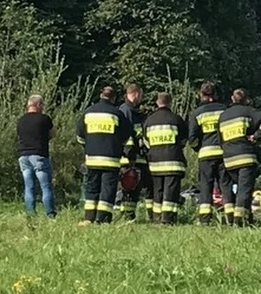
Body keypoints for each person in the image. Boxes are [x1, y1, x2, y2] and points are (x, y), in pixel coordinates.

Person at [76, 86, 132, 225]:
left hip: (92, 158)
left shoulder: (88, 113)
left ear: (101, 95)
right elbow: (126, 137)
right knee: (107, 189)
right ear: (113, 98)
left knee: (92, 188)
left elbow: (80, 137)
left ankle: (89, 217)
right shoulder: (117, 114)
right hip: (111, 160)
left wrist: (88, 147)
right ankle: (102, 218)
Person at [218, 89, 261, 227]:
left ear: (232, 98)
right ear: (246, 99)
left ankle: (238, 217)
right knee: (244, 189)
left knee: (235, 188)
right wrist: (256, 136)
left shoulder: (223, 116)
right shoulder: (248, 111)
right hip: (246, 156)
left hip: (229, 159)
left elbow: (220, 140)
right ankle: (240, 220)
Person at [144, 92, 189, 224]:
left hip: (155, 164)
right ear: (170, 103)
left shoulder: (149, 121)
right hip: (173, 163)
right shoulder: (176, 119)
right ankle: (168, 219)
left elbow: (146, 142)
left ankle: (157, 218)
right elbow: (183, 141)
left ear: (157, 103)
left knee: (157, 191)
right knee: (171, 191)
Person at [188, 81, 229, 225]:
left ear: (201, 95)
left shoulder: (197, 113)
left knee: (206, 185)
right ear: (214, 94)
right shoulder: (224, 110)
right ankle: (230, 217)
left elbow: (192, 138)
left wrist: (198, 148)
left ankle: (205, 219)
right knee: (225, 184)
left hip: (206, 154)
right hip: (224, 153)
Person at [16, 94, 56, 217]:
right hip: (39, 155)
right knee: (45, 186)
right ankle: (50, 213)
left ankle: (30, 213)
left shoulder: (20, 120)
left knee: (29, 186)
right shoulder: (44, 119)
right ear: (38, 105)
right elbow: (53, 134)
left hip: (23, 156)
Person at [119, 84, 152, 221]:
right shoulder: (126, 111)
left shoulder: (134, 111)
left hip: (138, 157)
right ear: (137, 94)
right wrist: (130, 155)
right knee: (129, 188)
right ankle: (127, 216)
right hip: (129, 158)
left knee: (139, 188)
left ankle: (133, 215)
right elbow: (127, 136)